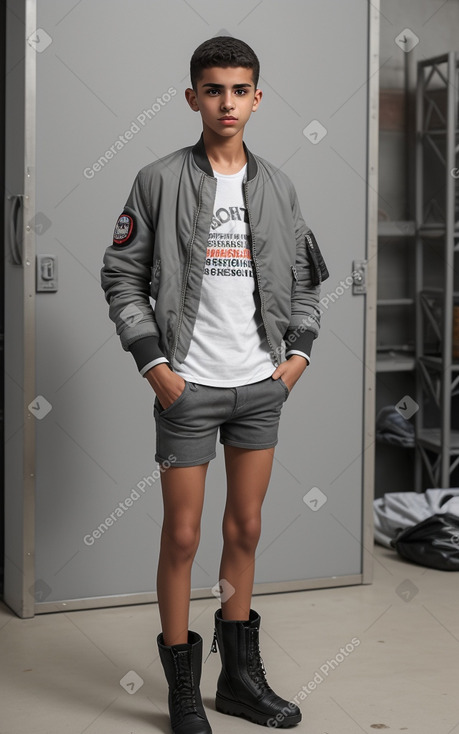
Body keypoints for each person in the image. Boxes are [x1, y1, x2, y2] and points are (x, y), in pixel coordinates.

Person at [101, 35, 328, 734]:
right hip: (187, 388)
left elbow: (305, 286)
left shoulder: (279, 188)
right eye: (212, 88)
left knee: (247, 528)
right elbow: (121, 276)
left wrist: (294, 362)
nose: (225, 102)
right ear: (192, 95)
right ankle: (179, 686)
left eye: (239, 90)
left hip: (259, 385)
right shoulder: (157, 178)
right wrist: (156, 368)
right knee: (183, 535)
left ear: (256, 98)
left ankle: (237, 678)